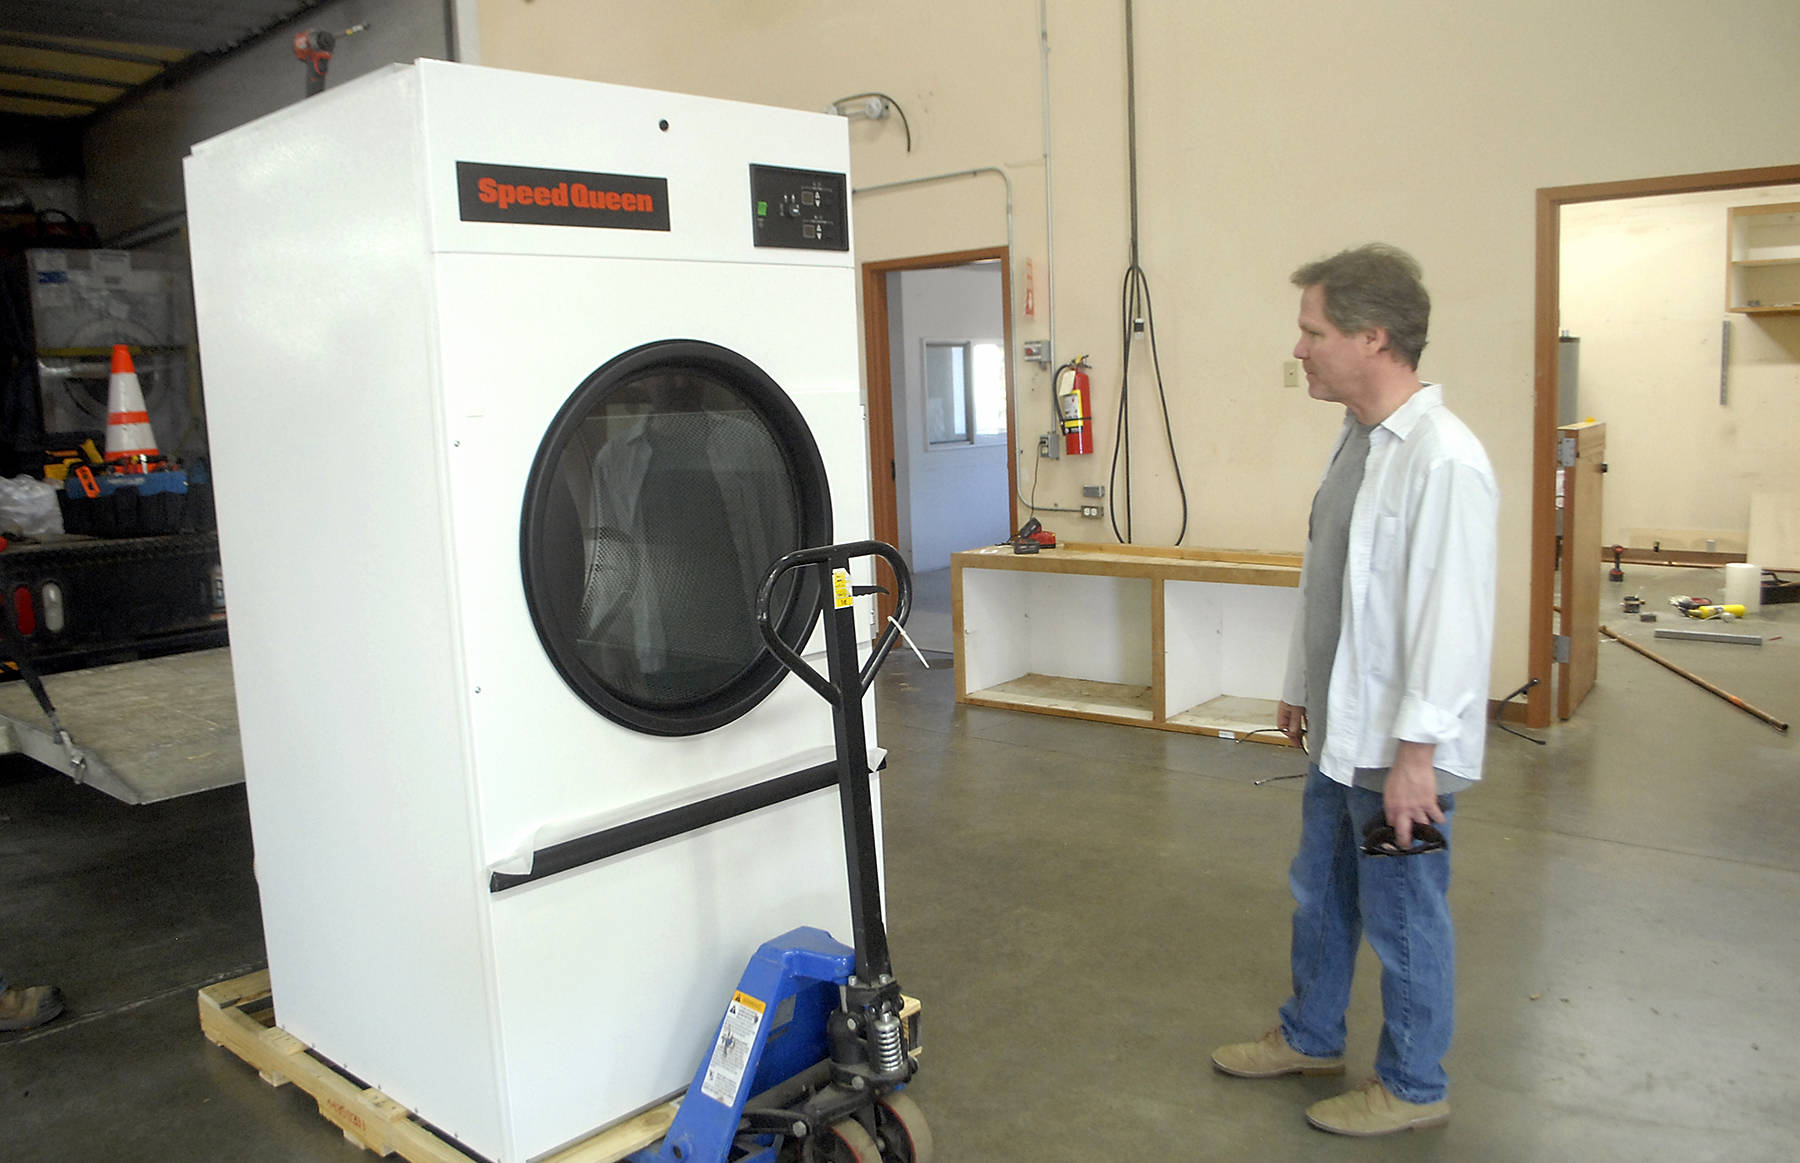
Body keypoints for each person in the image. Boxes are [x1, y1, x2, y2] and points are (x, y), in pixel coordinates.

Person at [1211, 244, 1498, 1137]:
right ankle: (1311, 1034)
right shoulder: (1358, 444)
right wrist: (1300, 684)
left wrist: (1417, 756)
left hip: (1397, 753)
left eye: (1314, 331)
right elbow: (1329, 577)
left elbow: (1450, 622)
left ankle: (1414, 1085)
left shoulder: (1442, 460)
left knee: (1406, 918)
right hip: (1342, 732)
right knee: (1323, 894)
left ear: (1373, 337)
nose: (1299, 349)